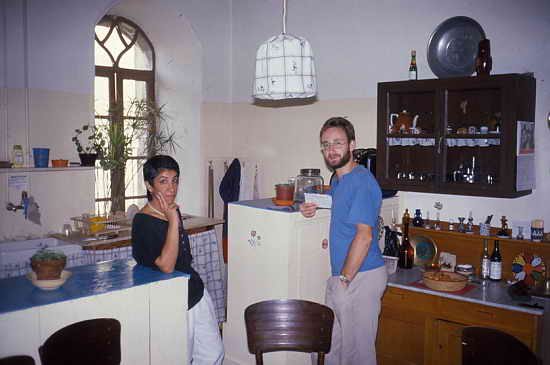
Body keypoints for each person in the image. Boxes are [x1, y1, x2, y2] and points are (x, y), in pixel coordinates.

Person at [300, 117, 387, 365]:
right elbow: (344, 209)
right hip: (343, 276)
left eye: (337, 143)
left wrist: (344, 280)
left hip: (360, 276)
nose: (331, 150)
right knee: (331, 348)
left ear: (352, 145)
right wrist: (313, 206)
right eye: (326, 144)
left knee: (357, 355)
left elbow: (364, 235)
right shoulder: (338, 180)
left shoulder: (362, 181)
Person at [132, 155, 224, 365]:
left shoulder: (172, 209)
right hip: (171, 299)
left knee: (214, 353)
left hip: (195, 292)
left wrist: (173, 216)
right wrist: (173, 220)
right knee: (179, 357)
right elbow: (166, 266)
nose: (171, 188)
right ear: (149, 185)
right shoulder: (143, 221)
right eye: (163, 181)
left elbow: (185, 257)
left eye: (175, 180)